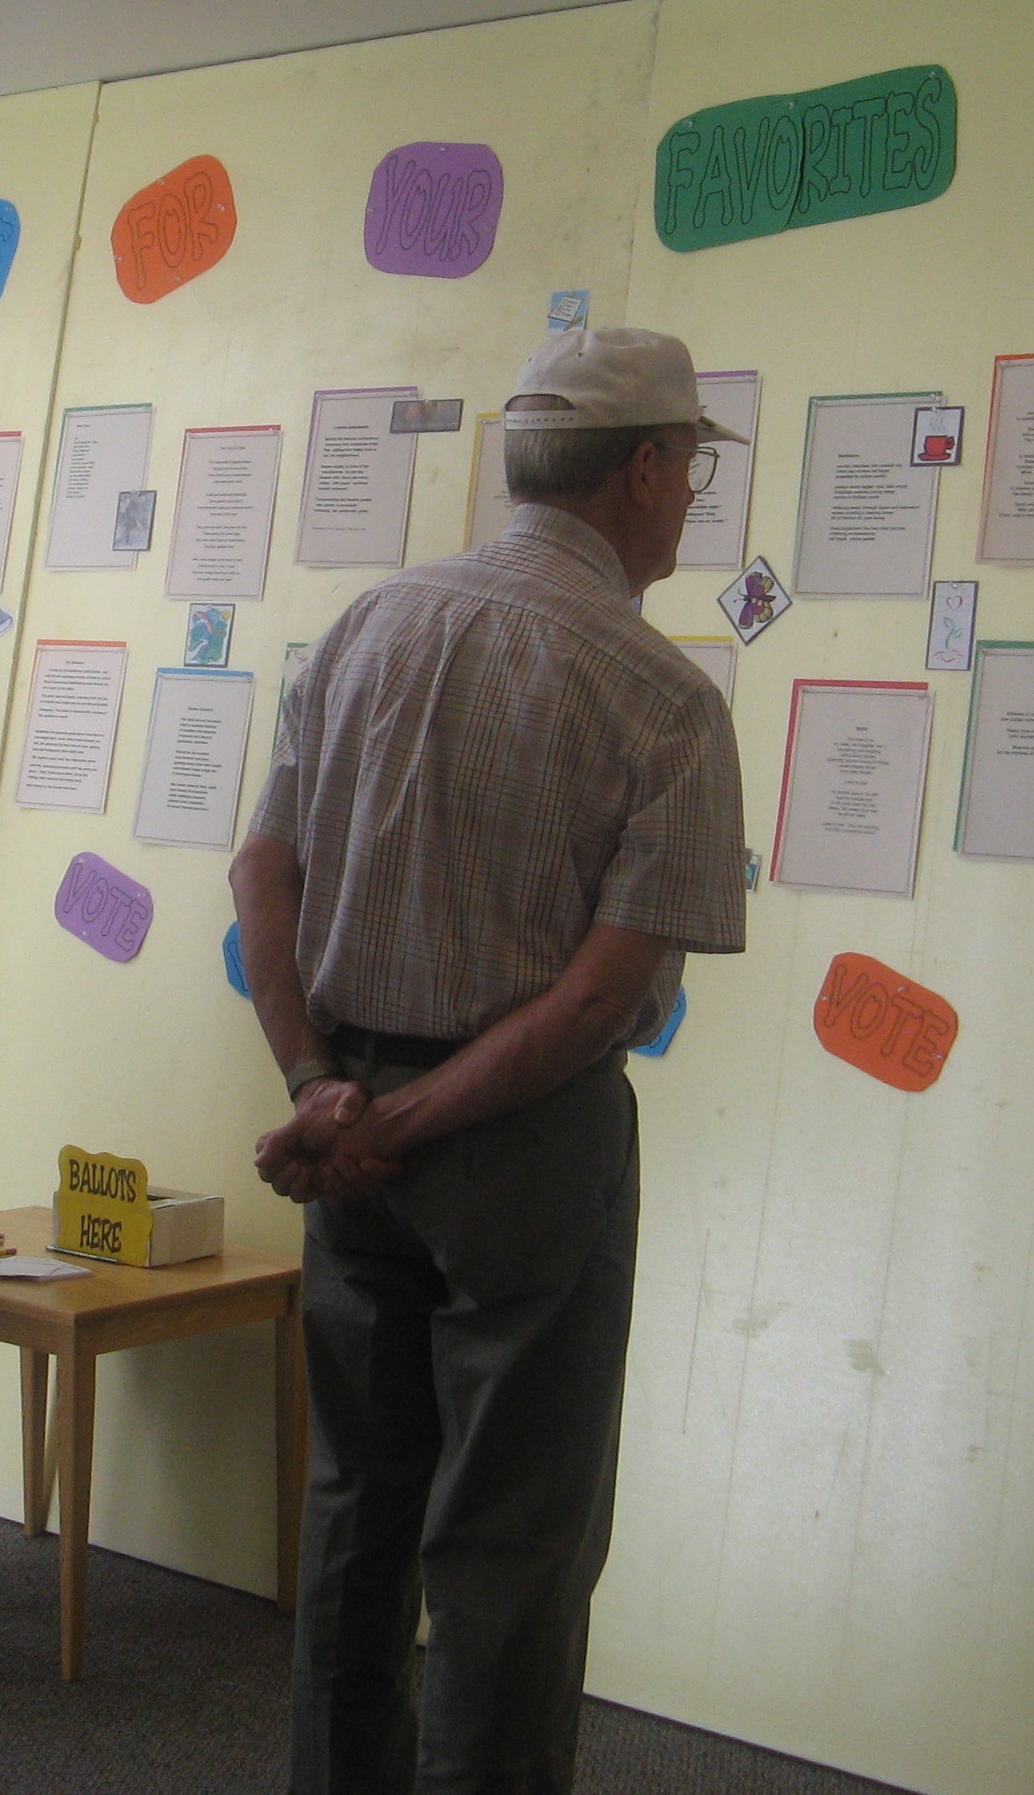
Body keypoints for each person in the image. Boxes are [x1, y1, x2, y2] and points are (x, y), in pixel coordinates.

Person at [231, 326, 751, 1795]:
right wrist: (404, 1122)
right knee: (512, 1543)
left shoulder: (364, 627)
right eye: (692, 467)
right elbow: (595, 1005)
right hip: (523, 1148)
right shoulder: (662, 699)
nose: (691, 495)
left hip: (345, 1122)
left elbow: (261, 870)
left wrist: (321, 1093)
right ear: (641, 470)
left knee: (356, 1507)